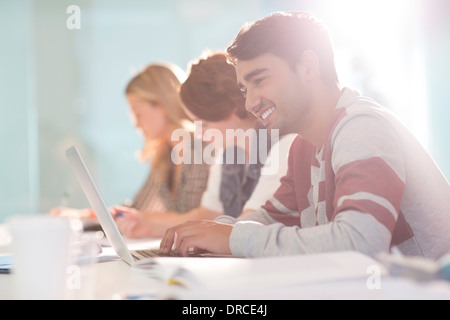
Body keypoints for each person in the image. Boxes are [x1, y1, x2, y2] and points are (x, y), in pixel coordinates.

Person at [160, 11, 450, 260]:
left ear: (308, 66)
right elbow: (265, 220)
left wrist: (232, 239)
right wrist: (206, 233)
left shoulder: (362, 126)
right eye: (245, 90)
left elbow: (360, 244)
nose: (250, 103)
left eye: (260, 80)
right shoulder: (303, 146)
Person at [113, 51, 296, 238]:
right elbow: (208, 213)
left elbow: (247, 223)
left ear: (233, 110)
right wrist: (150, 228)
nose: (199, 134)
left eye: (205, 124)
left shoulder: (282, 146)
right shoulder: (226, 153)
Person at [51, 63, 210, 235]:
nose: (136, 124)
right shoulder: (166, 156)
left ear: (162, 106)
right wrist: (82, 216)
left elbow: (200, 218)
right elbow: (137, 209)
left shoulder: (202, 149)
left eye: (138, 113)